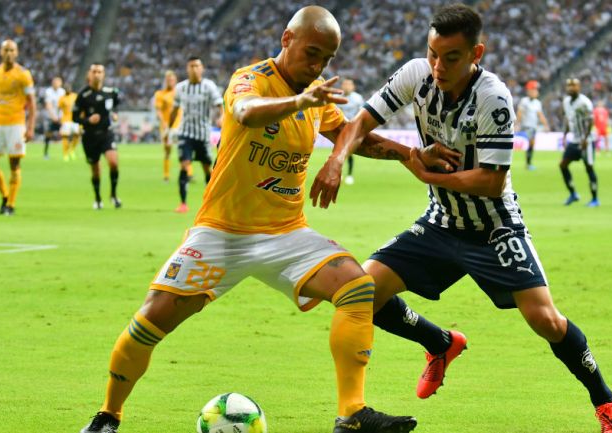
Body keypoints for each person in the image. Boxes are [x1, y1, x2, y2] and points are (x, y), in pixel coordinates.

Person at [79, 6, 421, 433]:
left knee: (356, 286)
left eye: (326, 60)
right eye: (312, 53)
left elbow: (355, 136)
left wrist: (410, 154)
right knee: (151, 318)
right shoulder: (251, 78)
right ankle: (108, 416)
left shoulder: (315, 94)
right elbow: (246, 112)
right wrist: (299, 101)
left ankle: (351, 414)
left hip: (286, 233)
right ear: (286, 39)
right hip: (222, 231)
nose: (317, 66)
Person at [309, 5, 612, 433]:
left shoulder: (493, 98)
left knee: (545, 320)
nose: (438, 66)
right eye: (432, 54)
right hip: (440, 221)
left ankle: (606, 402)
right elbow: (360, 122)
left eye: (451, 57)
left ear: (476, 52)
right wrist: (336, 159)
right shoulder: (415, 75)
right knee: (361, 292)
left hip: (494, 228)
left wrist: (424, 170)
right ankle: (439, 344)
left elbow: (491, 183)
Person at [0, 39, 37, 216]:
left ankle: (10, 204)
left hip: (15, 124)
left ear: (17, 53)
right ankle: (4, 195)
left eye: (12, 50)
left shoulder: (23, 74)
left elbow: (32, 103)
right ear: (0, 52)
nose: (9, 53)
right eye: (6, 50)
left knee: (14, 164)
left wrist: (30, 126)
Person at [169, 57, 222, 213]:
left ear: (202, 68)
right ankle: (183, 203)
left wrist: (221, 117)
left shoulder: (209, 86)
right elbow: (175, 109)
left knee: (207, 169)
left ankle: (211, 203)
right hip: (185, 133)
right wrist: (169, 129)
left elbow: (220, 105)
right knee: (185, 164)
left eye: (197, 66)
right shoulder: (181, 88)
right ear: (187, 68)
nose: (194, 69)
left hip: (203, 134)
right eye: (191, 66)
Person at [73, 63, 122, 210]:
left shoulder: (110, 92)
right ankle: (98, 198)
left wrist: (114, 114)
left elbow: (116, 104)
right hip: (90, 137)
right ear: (89, 74)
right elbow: (74, 117)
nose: (97, 74)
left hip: (106, 133)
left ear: (104, 74)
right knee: (95, 169)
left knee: (113, 162)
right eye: (94, 71)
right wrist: (87, 120)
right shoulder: (83, 95)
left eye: (100, 71)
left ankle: (113, 195)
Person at [560, 78, 598, 207]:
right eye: (569, 86)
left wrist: (585, 139)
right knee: (563, 165)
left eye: (574, 86)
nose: (571, 88)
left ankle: (595, 198)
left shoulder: (584, 102)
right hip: (575, 140)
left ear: (579, 87)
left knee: (589, 168)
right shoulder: (566, 102)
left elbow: (590, 121)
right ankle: (573, 194)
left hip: (586, 141)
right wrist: (565, 135)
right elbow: (569, 119)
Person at [153, 70, 182, 181]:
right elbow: (159, 110)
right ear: (166, 81)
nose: (171, 82)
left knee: (183, 148)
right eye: (168, 80)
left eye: (172, 80)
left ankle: (187, 173)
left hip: (179, 124)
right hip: (166, 125)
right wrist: (163, 122)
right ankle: (166, 175)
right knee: (167, 149)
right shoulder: (160, 94)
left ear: (175, 81)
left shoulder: (179, 92)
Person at [516, 80, 549, 170]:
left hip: (533, 126)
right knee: (531, 143)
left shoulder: (537, 103)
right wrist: (517, 124)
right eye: (534, 90)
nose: (536, 92)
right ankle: (528, 163)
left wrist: (546, 125)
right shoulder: (524, 101)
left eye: (536, 90)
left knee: (532, 144)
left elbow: (540, 115)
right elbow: (519, 113)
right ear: (529, 91)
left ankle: (528, 163)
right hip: (526, 126)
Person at [337, 78, 364, 185]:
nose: (347, 86)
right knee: (339, 150)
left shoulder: (358, 98)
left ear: (353, 87)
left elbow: (362, 113)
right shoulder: (336, 97)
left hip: (352, 128)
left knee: (348, 151)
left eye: (349, 84)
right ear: (342, 86)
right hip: (338, 127)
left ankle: (348, 174)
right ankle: (339, 173)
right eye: (345, 84)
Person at [43, 76, 65, 159]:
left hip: (60, 117)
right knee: (48, 135)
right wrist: (53, 117)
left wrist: (61, 117)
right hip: (50, 117)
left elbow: (64, 105)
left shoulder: (62, 92)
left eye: (58, 82)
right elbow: (48, 105)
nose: (56, 84)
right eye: (55, 82)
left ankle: (66, 153)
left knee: (65, 134)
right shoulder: (48, 91)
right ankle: (46, 153)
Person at [58, 83, 80, 161]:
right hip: (66, 120)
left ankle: (72, 150)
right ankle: (65, 154)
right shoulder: (62, 98)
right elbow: (59, 109)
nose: (67, 90)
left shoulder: (75, 96)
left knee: (77, 135)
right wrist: (59, 119)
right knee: (65, 137)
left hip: (75, 119)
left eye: (68, 88)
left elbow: (80, 107)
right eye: (66, 88)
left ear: (71, 89)